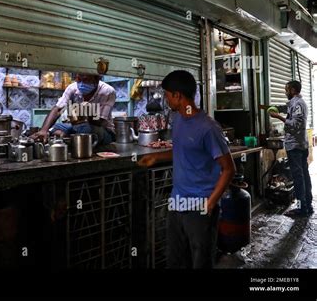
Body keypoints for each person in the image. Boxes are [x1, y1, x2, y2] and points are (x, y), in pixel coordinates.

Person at [138, 70, 235, 268]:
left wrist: (210, 204)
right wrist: (156, 157)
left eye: (166, 95)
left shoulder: (208, 128)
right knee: (176, 260)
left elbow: (228, 169)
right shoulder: (180, 120)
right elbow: (183, 151)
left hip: (200, 205)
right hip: (177, 203)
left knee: (200, 262)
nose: (165, 100)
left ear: (177, 96)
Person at [267, 80, 313, 217]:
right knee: (303, 176)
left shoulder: (298, 104)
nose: (285, 92)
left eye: (286, 89)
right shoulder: (295, 103)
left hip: (296, 147)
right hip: (299, 145)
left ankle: (302, 208)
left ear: (292, 90)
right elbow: (286, 106)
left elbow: (295, 124)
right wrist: (274, 108)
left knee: (299, 178)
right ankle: (307, 205)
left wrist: (279, 117)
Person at [31, 73, 116, 145]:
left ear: (97, 79)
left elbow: (99, 121)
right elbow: (57, 109)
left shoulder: (108, 91)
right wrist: (44, 130)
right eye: (78, 79)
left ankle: (71, 137)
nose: (81, 84)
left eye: (85, 80)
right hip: (78, 127)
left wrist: (84, 112)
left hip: (103, 130)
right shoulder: (72, 88)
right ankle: (71, 137)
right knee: (56, 128)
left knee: (85, 130)